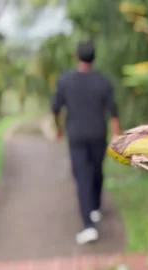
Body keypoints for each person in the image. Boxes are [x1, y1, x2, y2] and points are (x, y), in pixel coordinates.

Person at [51, 41, 120, 245]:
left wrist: (58, 128)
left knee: (83, 177)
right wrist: (117, 134)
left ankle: (89, 226)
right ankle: (95, 207)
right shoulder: (103, 81)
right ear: (94, 57)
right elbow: (113, 111)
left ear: (76, 56)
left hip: (77, 137)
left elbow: (55, 108)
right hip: (99, 135)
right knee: (97, 171)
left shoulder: (65, 81)